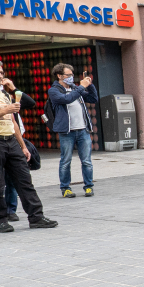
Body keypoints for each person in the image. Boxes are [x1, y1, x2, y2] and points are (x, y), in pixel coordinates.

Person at [0, 58, 58, 233]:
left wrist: (22, 146)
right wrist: (3, 110)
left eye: (2, 72)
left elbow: (13, 123)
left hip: (11, 140)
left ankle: (36, 217)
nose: (0, 76)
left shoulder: (4, 94)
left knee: (25, 181)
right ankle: (0, 220)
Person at [47, 63, 98, 197]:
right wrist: (82, 87)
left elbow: (93, 98)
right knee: (66, 161)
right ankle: (65, 188)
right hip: (67, 132)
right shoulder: (54, 91)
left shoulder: (76, 88)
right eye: (68, 75)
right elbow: (67, 99)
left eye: (72, 75)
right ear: (59, 76)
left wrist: (89, 84)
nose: (71, 77)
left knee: (86, 160)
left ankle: (88, 186)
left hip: (83, 130)